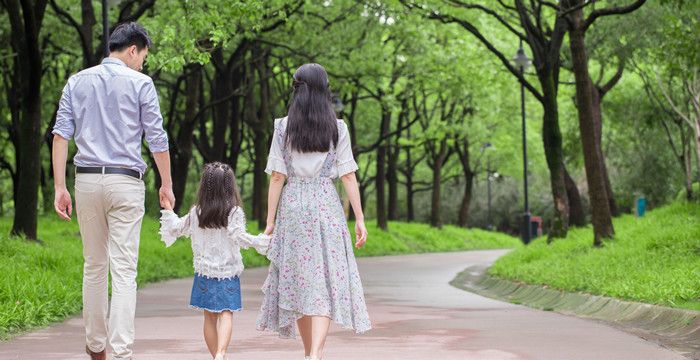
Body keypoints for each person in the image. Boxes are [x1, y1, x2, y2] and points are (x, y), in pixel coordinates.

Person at [52, 22, 173, 360]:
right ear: (132, 50)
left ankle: (95, 347)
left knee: (93, 266)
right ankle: (121, 353)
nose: (143, 64)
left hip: (86, 180)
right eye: (143, 57)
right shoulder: (141, 84)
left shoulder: (77, 81)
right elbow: (157, 139)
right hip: (125, 182)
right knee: (124, 270)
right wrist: (167, 183)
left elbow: (61, 135)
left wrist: (60, 186)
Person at [256, 63, 371, 360]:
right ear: (325, 89)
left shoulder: (282, 127)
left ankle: (311, 353)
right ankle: (314, 354)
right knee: (323, 281)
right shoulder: (338, 128)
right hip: (326, 206)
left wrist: (270, 221)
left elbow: (277, 176)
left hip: (293, 206)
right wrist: (358, 217)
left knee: (300, 283)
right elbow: (347, 175)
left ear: (296, 89)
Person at [159, 162, 271, 360]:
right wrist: (263, 240)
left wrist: (168, 208)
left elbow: (175, 228)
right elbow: (241, 237)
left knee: (209, 317)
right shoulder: (234, 212)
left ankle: (216, 357)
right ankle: (221, 354)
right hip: (227, 274)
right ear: (230, 186)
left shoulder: (197, 212)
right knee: (226, 313)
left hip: (204, 274)